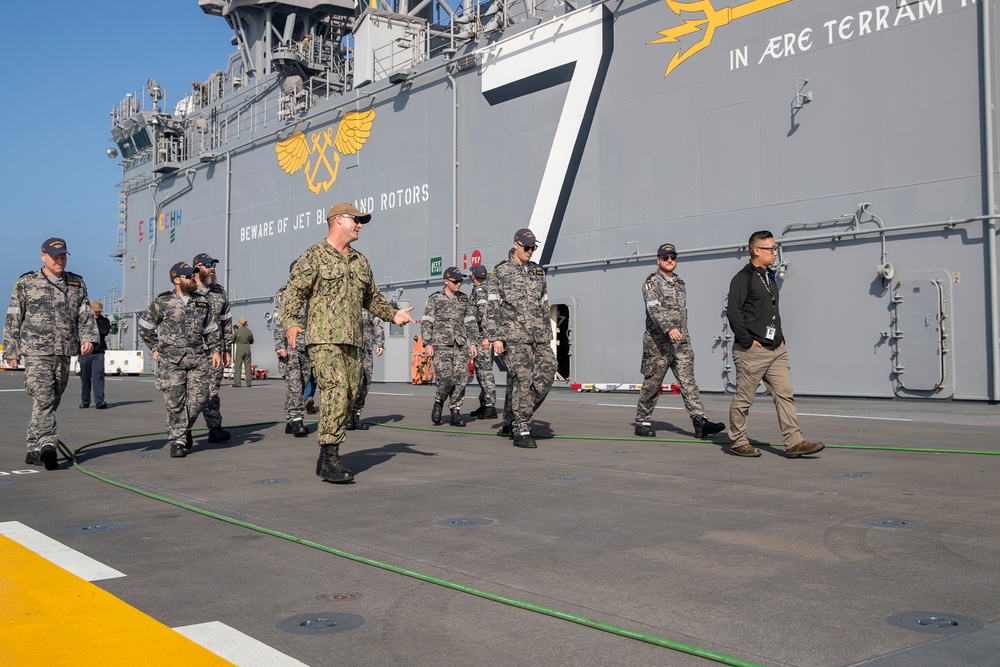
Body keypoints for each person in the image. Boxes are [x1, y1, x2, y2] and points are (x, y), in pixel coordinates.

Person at [279, 202, 416, 484]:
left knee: (350, 395)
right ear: (338, 220)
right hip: (323, 339)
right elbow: (292, 293)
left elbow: (372, 298)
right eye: (356, 220)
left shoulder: (360, 261)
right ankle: (330, 456)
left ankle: (324, 457)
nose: (360, 225)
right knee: (336, 391)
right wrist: (291, 323)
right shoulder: (314, 256)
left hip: (353, 341)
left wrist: (393, 314)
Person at [726, 230, 824, 458]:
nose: (775, 252)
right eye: (770, 249)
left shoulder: (769, 276)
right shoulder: (743, 278)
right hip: (753, 351)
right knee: (744, 398)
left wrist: (780, 338)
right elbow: (734, 313)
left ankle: (794, 442)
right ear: (756, 250)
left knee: (785, 393)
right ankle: (739, 441)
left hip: (776, 349)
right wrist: (748, 341)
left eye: (775, 248)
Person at [3, 238, 99, 470]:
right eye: (55, 256)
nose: (60, 261)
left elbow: (85, 314)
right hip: (37, 352)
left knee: (51, 399)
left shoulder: (76, 283)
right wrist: (11, 349)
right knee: (43, 396)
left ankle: (33, 448)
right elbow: (14, 317)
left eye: (63, 256)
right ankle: (48, 445)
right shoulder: (27, 282)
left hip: (64, 351)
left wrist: (88, 338)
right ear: (43, 256)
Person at [634, 243, 725, 439]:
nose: (669, 261)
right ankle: (642, 421)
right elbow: (654, 309)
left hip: (681, 343)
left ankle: (700, 421)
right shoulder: (651, 283)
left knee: (688, 382)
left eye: (672, 257)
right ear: (658, 260)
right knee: (652, 384)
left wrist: (683, 336)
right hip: (658, 345)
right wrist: (669, 328)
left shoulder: (680, 284)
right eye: (665, 258)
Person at [138, 262, 222, 458]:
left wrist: (216, 351)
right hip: (171, 360)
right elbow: (145, 327)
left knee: (200, 398)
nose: (193, 279)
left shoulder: (202, 301)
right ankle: (178, 440)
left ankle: (182, 430)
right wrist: (155, 347)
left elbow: (211, 330)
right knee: (175, 402)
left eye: (193, 276)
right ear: (177, 280)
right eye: (188, 277)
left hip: (197, 358)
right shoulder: (163, 302)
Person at [486, 229, 557, 449]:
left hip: (539, 337)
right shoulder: (501, 272)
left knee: (549, 370)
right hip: (513, 337)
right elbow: (492, 307)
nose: (530, 251)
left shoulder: (538, 272)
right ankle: (522, 428)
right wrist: (496, 337)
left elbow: (544, 306)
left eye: (533, 247)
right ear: (515, 245)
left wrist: (547, 335)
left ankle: (515, 412)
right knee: (522, 381)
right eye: (526, 247)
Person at [421, 267, 479, 427]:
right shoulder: (435, 299)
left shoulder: (464, 299)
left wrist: (473, 342)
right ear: (446, 281)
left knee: (461, 380)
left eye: (461, 280)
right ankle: (439, 401)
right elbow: (427, 321)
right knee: (446, 379)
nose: (459, 283)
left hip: (460, 345)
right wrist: (427, 343)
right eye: (456, 281)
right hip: (441, 345)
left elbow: (470, 322)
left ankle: (455, 411)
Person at [192, 253, 233, 443]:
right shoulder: (188, 290)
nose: (212, 268)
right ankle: (183, 430)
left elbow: (226, 322)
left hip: (215, 351)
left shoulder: (219, 292)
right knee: (192, 392)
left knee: (212, 391)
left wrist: (226, 349)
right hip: (193, 352)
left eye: (214, 264)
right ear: (196, 268)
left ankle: (214, 427)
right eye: (207, 265)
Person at [273, 262, 310, 437]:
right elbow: (278, 321)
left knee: (303, 382)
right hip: (291, 345)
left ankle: (290, 419)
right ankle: (297, 420)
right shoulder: (283, 294)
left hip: (308, 346)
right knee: (294, 383)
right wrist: (280, 346)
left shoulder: (312, 294)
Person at [468, 264, 497, 420]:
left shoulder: (480, 291)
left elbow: (484, 314)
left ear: (474, 277)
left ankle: (490, 406)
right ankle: (485, 403)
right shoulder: (489, 288)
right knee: (482, 371)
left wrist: (486, 336)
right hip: (485, 336)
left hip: (483, 338)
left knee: (485, 372)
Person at [349, 308, 385, 431]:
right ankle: (348, 416)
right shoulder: (349, 302)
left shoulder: (370, 305)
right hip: (352, 351)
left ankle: (356, 416)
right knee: (353, 383)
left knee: (365, 383)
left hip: (367, 350)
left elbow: (378, 323)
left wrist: (380, 343)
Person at [79, 300, 112, 409]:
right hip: (85, 353)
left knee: (98, 376)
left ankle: (99, 401)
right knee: (85, 377)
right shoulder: (84, 321)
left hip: (98, 352)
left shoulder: (104, 321)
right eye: (95, 311)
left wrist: (94, 324)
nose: (96, 314)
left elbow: (104, 331)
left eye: (98, 312)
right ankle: (85, 400)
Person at [232, 317, 255, 387]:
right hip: (247, 348)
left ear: (240, 323)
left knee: (238, 366)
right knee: (248, 366)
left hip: (240, 348)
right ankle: (248, 382)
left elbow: (232, 340)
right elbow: (252, 341)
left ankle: (237, 383)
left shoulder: (237, 331)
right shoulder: (249, 331)